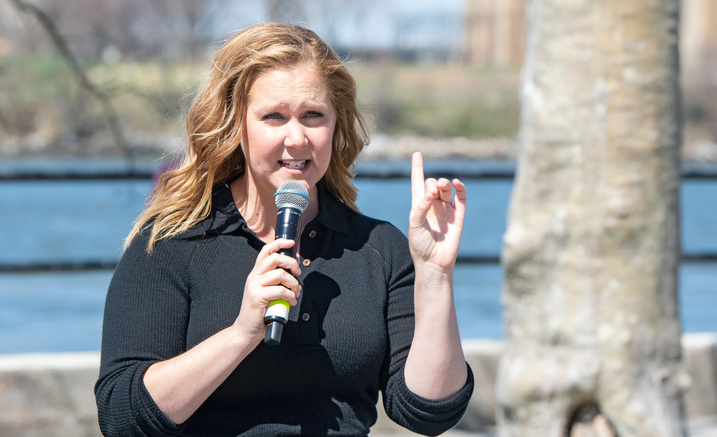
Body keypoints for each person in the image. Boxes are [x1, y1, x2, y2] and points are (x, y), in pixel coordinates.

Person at [94, 22, 473, 437]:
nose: (297, 138)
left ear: (337, 124)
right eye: (273, 117)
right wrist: (243, 333)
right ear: (235, 125)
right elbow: (122, 417)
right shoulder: (174, 242)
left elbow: (427, 411)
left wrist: (436, 276)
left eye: (314, 116)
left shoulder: (378, 248)